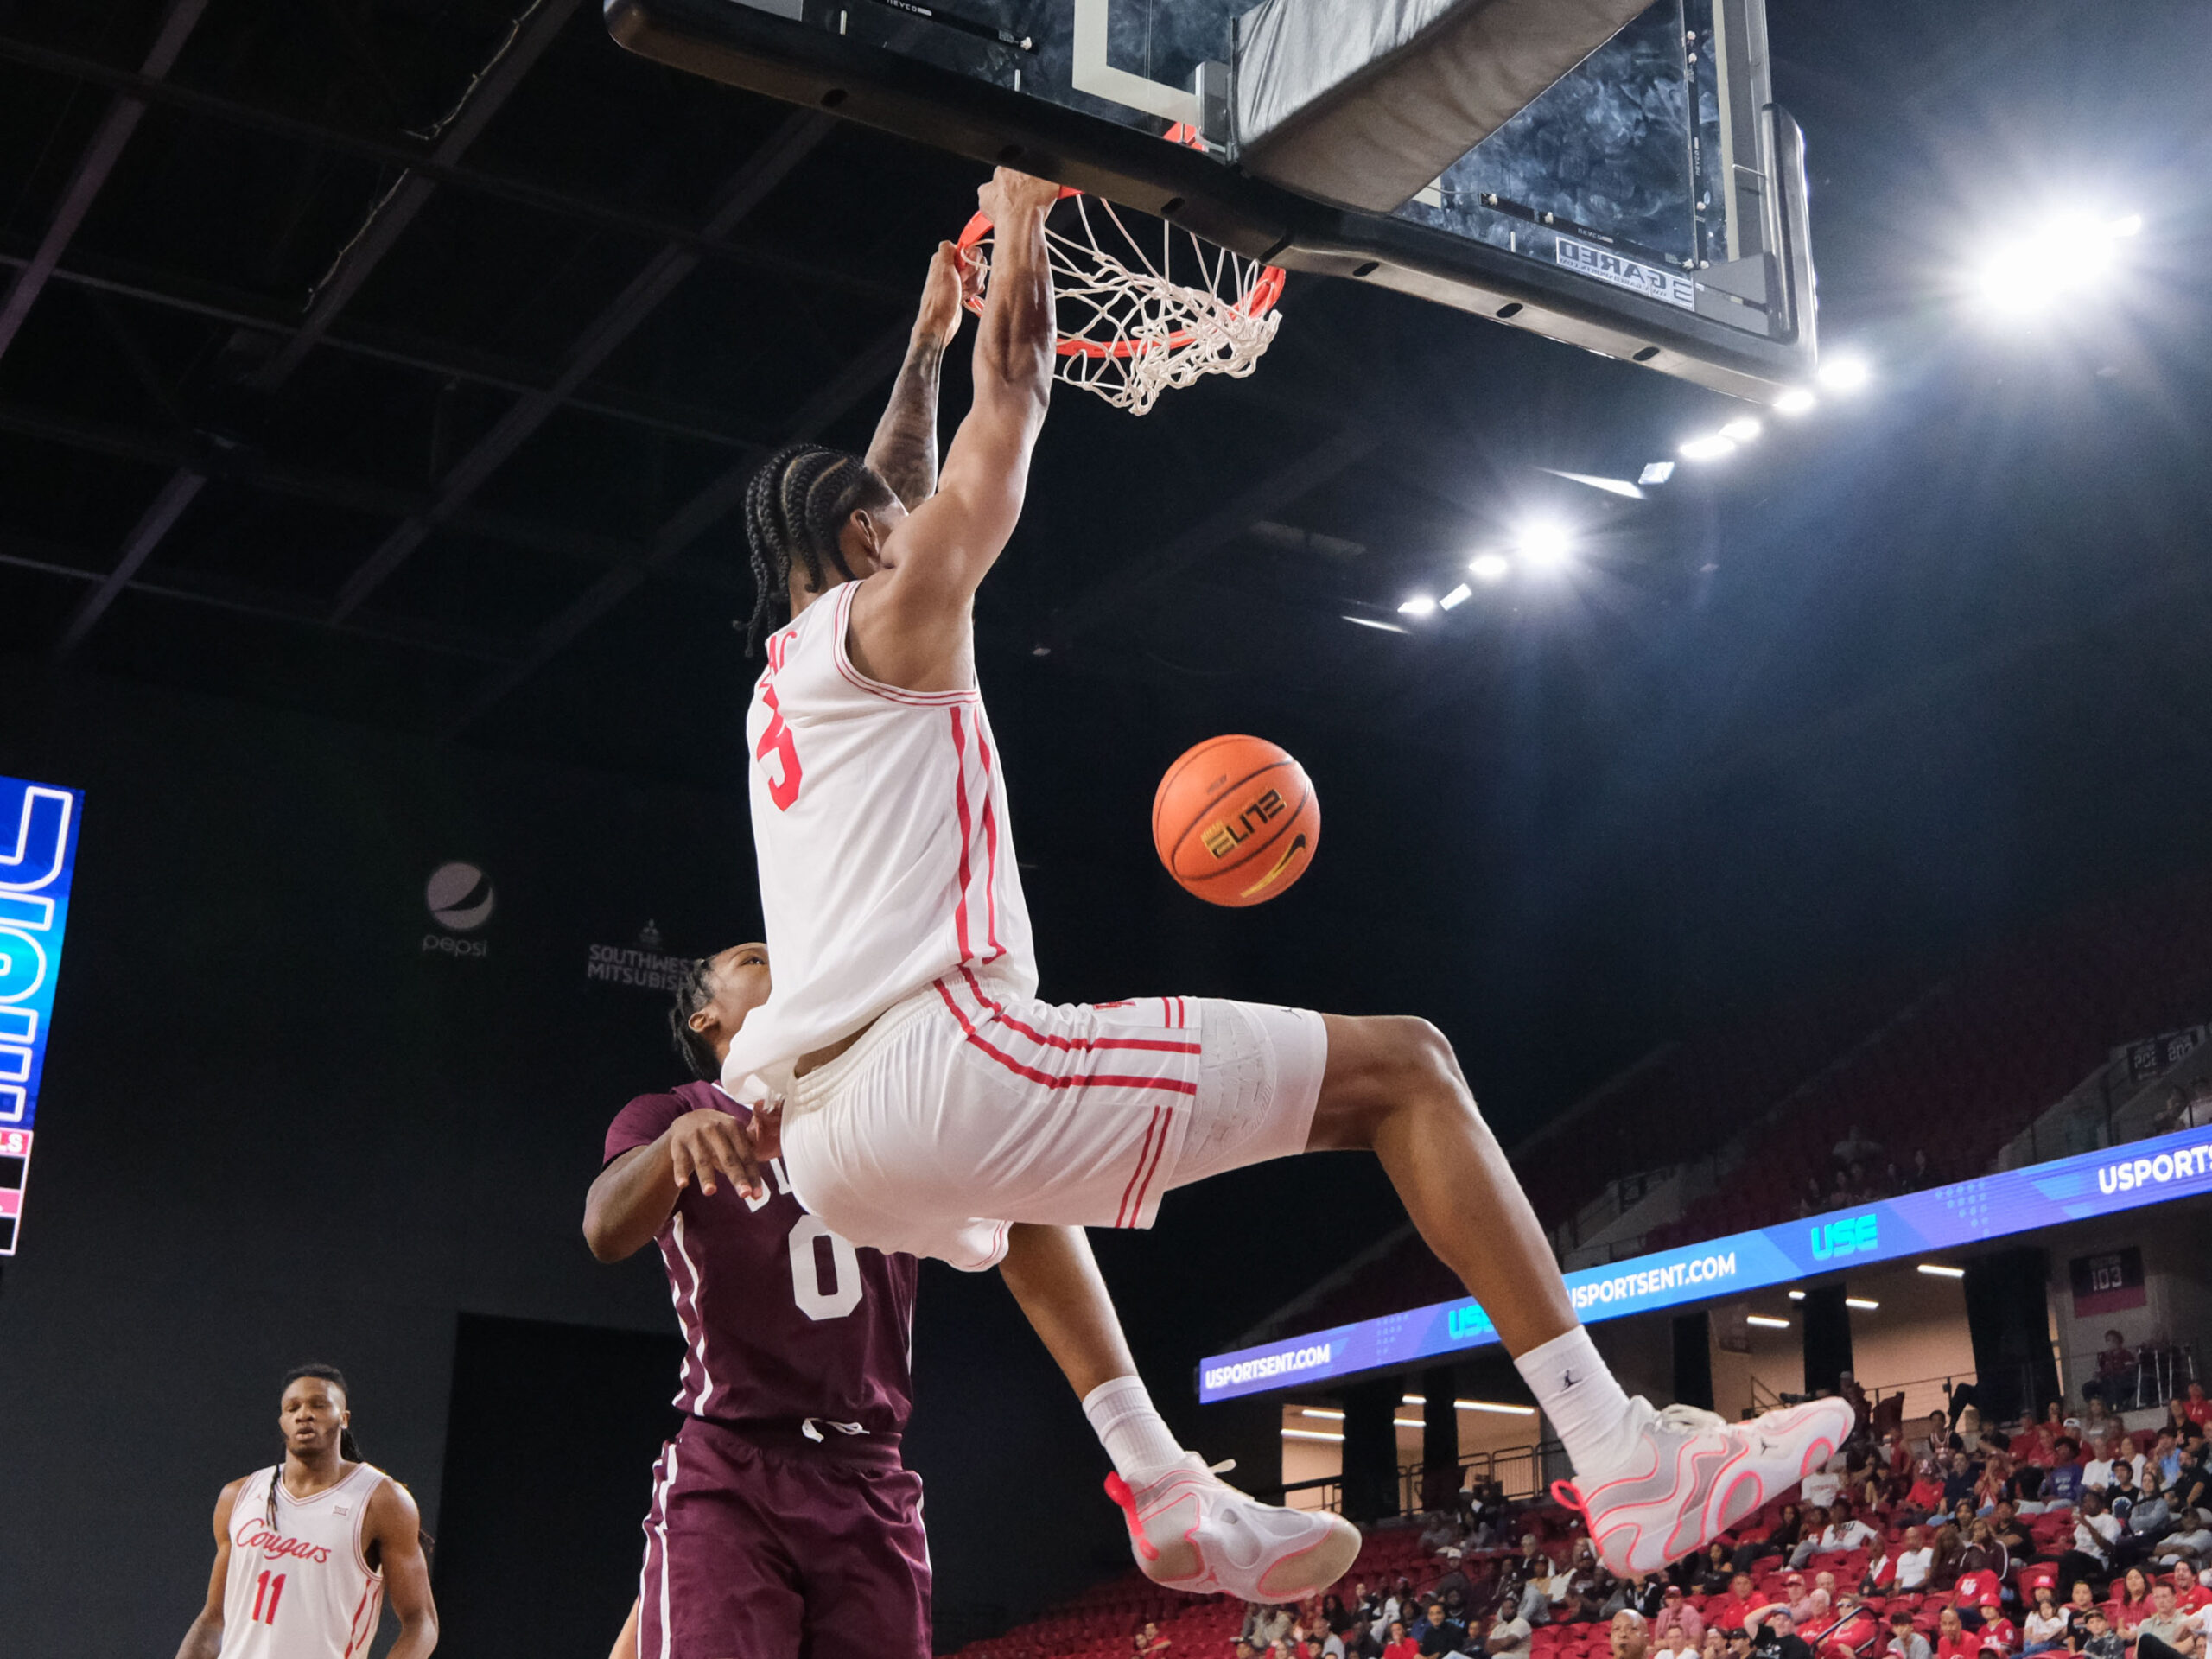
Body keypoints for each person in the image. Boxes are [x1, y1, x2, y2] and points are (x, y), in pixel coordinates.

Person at [719, 162, 1857, 1584]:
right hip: (937, 1062)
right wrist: (1019, 227)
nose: (904, 521)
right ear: (863, 549)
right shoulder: (899, 614)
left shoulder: (781, 684)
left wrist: (917, 345)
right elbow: (1007, 410)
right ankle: (1623, 1456)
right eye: (883, 524)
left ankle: (1161, 1481)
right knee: (1411, 1070)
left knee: (1014, 1190)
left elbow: (887, 484)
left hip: (832, 1147)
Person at [589, 938, 1235, 1653]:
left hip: (869, 1469)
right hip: (734, 1461)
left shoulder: (881, 1101)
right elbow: (604, 1230)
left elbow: (1019, 1210)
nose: (784, 957)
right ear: (706, 1020)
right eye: (753, 959)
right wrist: (673, 1150)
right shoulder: (668, 1114)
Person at [172, 1363, 437, 1659]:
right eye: (292, 1407)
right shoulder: (238, 1496)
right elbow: (214, 1618)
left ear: (344, 1419)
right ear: (282, 1420)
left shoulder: (381, 1500)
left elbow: (421, 1622)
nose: (304, 1414)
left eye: (319, 1405)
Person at [2021, 1586, 2068, 1655]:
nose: (2041, 1592)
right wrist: (2035, 1638)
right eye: (2038, 1589)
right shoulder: (2032, 1614)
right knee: (2028, 1643)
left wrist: (2045, 1637)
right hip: (2035, 1642)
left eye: (2045, 1589)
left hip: (2053, 1644)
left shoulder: (2063, 1611)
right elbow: (2027, 1635)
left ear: (2052, 1592)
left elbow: (2064, 1631)